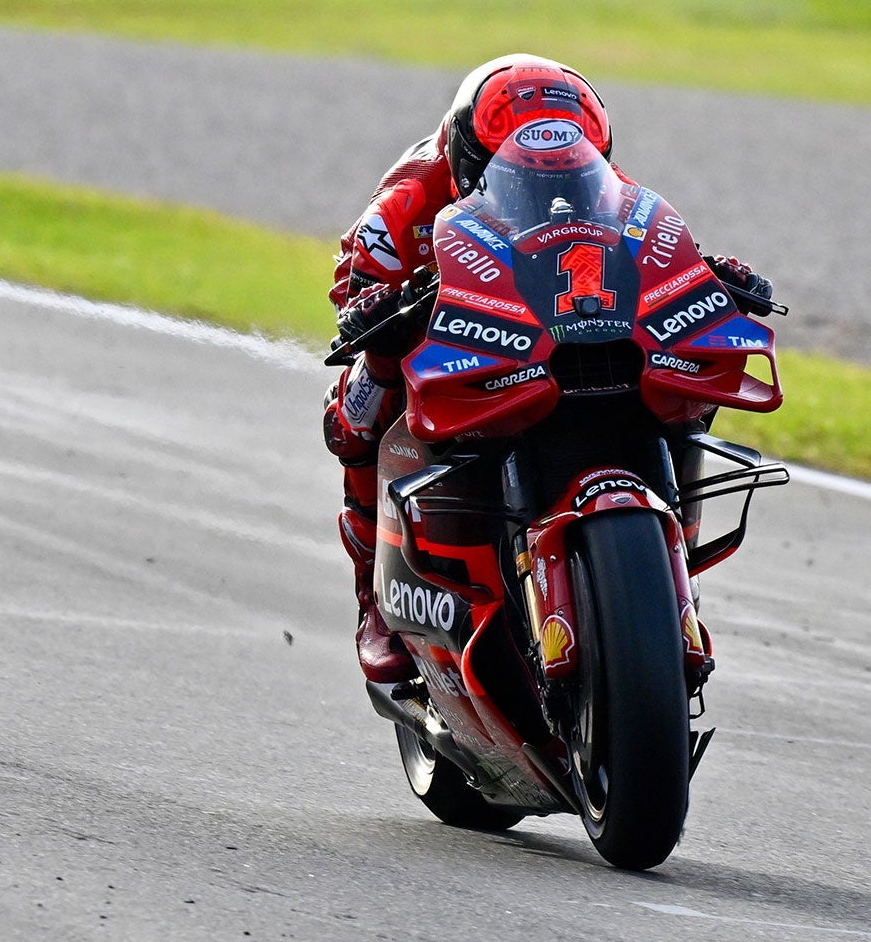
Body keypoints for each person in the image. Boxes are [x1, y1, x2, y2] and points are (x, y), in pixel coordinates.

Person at [323, 53, 770, 688]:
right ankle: (376, 602)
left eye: (567, 171)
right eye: (527, 176)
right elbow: (352, 292)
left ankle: (672, 575)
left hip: (554, 325)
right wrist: (378, 310)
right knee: (354, 410)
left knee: (687, 360)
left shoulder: (601, 181)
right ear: (466, 161)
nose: (551, 191)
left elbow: (656, 251)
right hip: (449, 325)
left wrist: (713, 276)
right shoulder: (406, 204)